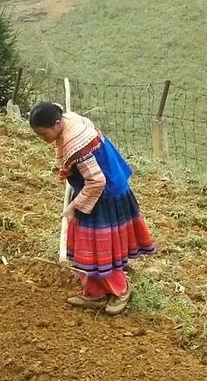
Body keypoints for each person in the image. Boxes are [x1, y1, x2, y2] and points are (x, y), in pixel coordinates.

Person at [29, 102, 156, 315]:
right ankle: (95, 292)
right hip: (104, 185)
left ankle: (120, 290)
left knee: (100, 247)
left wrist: (74, 206)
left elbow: (96, 181)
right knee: (86, 242)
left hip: (105, 194)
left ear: (58, 123)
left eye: (44, 134)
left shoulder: (74, 145)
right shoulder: (70, 119)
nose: (44, 139)